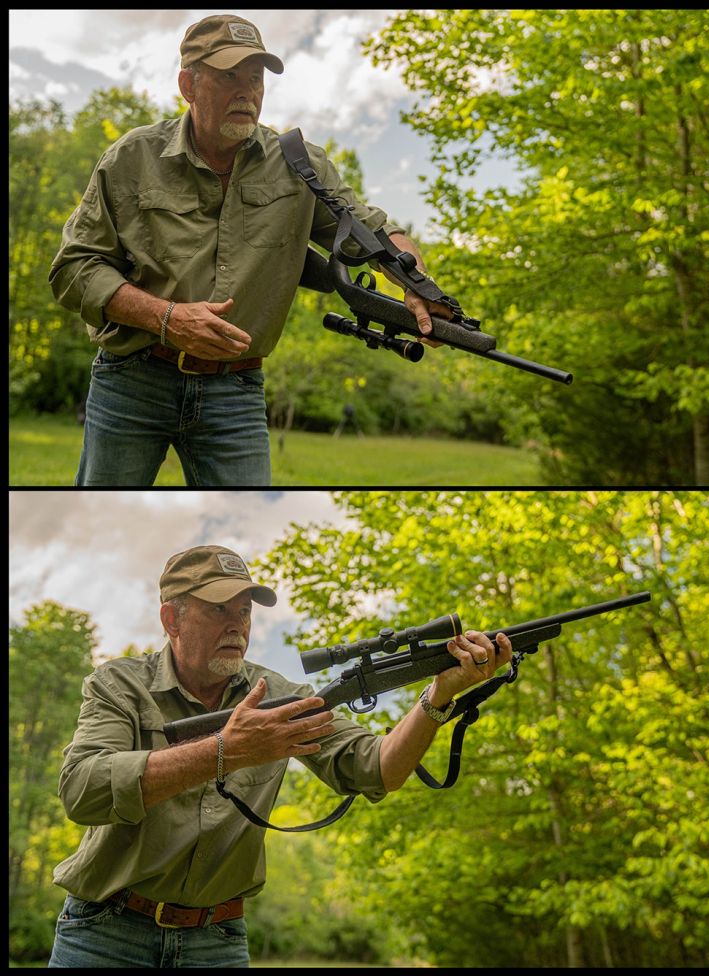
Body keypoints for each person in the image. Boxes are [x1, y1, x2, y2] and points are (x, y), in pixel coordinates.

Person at [48, 545, 510, 967]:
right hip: (105, 933)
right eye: (219, 610)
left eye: (245, 612)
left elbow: (379, 769)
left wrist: (436, 697)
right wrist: (226, 751)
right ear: (172, 619)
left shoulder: (282, 695)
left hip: (218, 940)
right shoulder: (118, 685)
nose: (237, 624)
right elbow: (82, 790)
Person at [50, 14, 451, 486]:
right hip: (133, 379)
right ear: (188, 85)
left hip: (235, 389)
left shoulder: (301, 166)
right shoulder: (131, 159)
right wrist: (167, 318)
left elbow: (373, 230)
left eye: (256, 78)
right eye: (228, 77)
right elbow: (73, 270)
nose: (247, 91)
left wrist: (416, 283)